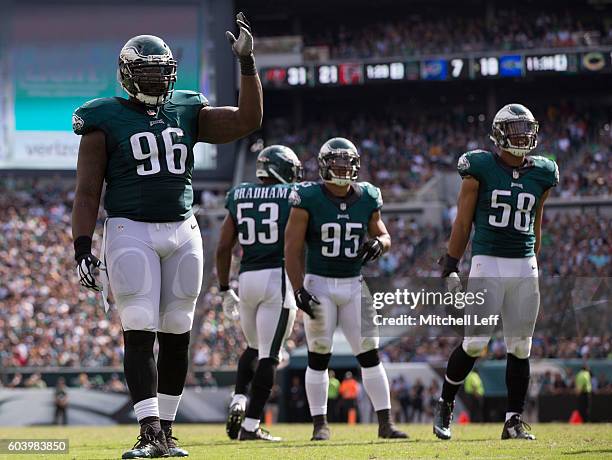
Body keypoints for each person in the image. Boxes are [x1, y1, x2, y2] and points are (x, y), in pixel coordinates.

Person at [71, 13, 262, 459]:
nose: (158, 80)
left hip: (183, 229)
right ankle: (148, 430)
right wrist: (83, 246)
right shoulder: (103, 117)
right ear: (128, 74)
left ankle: (168, 432)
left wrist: (248, 66)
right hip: (129, 229)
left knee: (178, 331)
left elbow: (248, 120)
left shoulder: (187, 108)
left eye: (163, 72)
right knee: (139, 328)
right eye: (148, 72)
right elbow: (86, 192)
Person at [433, 104, 558, 441]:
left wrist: (534, 260)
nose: (523, 135)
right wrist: (450, 262)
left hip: (524, 265)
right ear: (500, 134)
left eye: (526, 128)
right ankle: (445, 402)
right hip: (488, 261)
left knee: (521, 346)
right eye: (515, 129)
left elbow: (537, 221)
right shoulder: (480, 166)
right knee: (474, 343)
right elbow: (462, 221)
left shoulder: (544, 172)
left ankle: (513, 420)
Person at [284, 137, 407, 441]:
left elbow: (384, 234)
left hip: (354, 284)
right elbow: (292, 248)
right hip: (318, 284)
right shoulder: (307, 197)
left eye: (347, 162)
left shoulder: (367, 196)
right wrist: (298, 288)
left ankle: (385, 423)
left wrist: (380, 243)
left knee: (370, 354)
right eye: (335, 162)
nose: (341, 168)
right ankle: (319, 425)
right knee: (319, 355)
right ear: (324, 166)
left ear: (356, 166)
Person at [217, 145, 303, 441]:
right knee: (270, 355)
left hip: (246, 279)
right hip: (275, 278)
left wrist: (225, 288)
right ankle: (251, 425)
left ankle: (239, 397)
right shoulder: (292, 194)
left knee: (253, 348)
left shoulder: (239, 193)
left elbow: (223, 246)